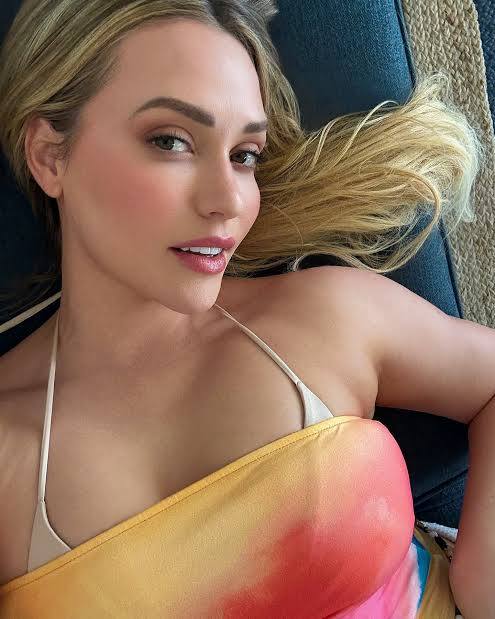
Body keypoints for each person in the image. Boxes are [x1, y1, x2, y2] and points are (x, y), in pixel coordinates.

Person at [0, 0, 492, 617]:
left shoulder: (327, 317)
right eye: (172, 141)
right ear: (50, 155)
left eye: (244, 155)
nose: (228, 199)